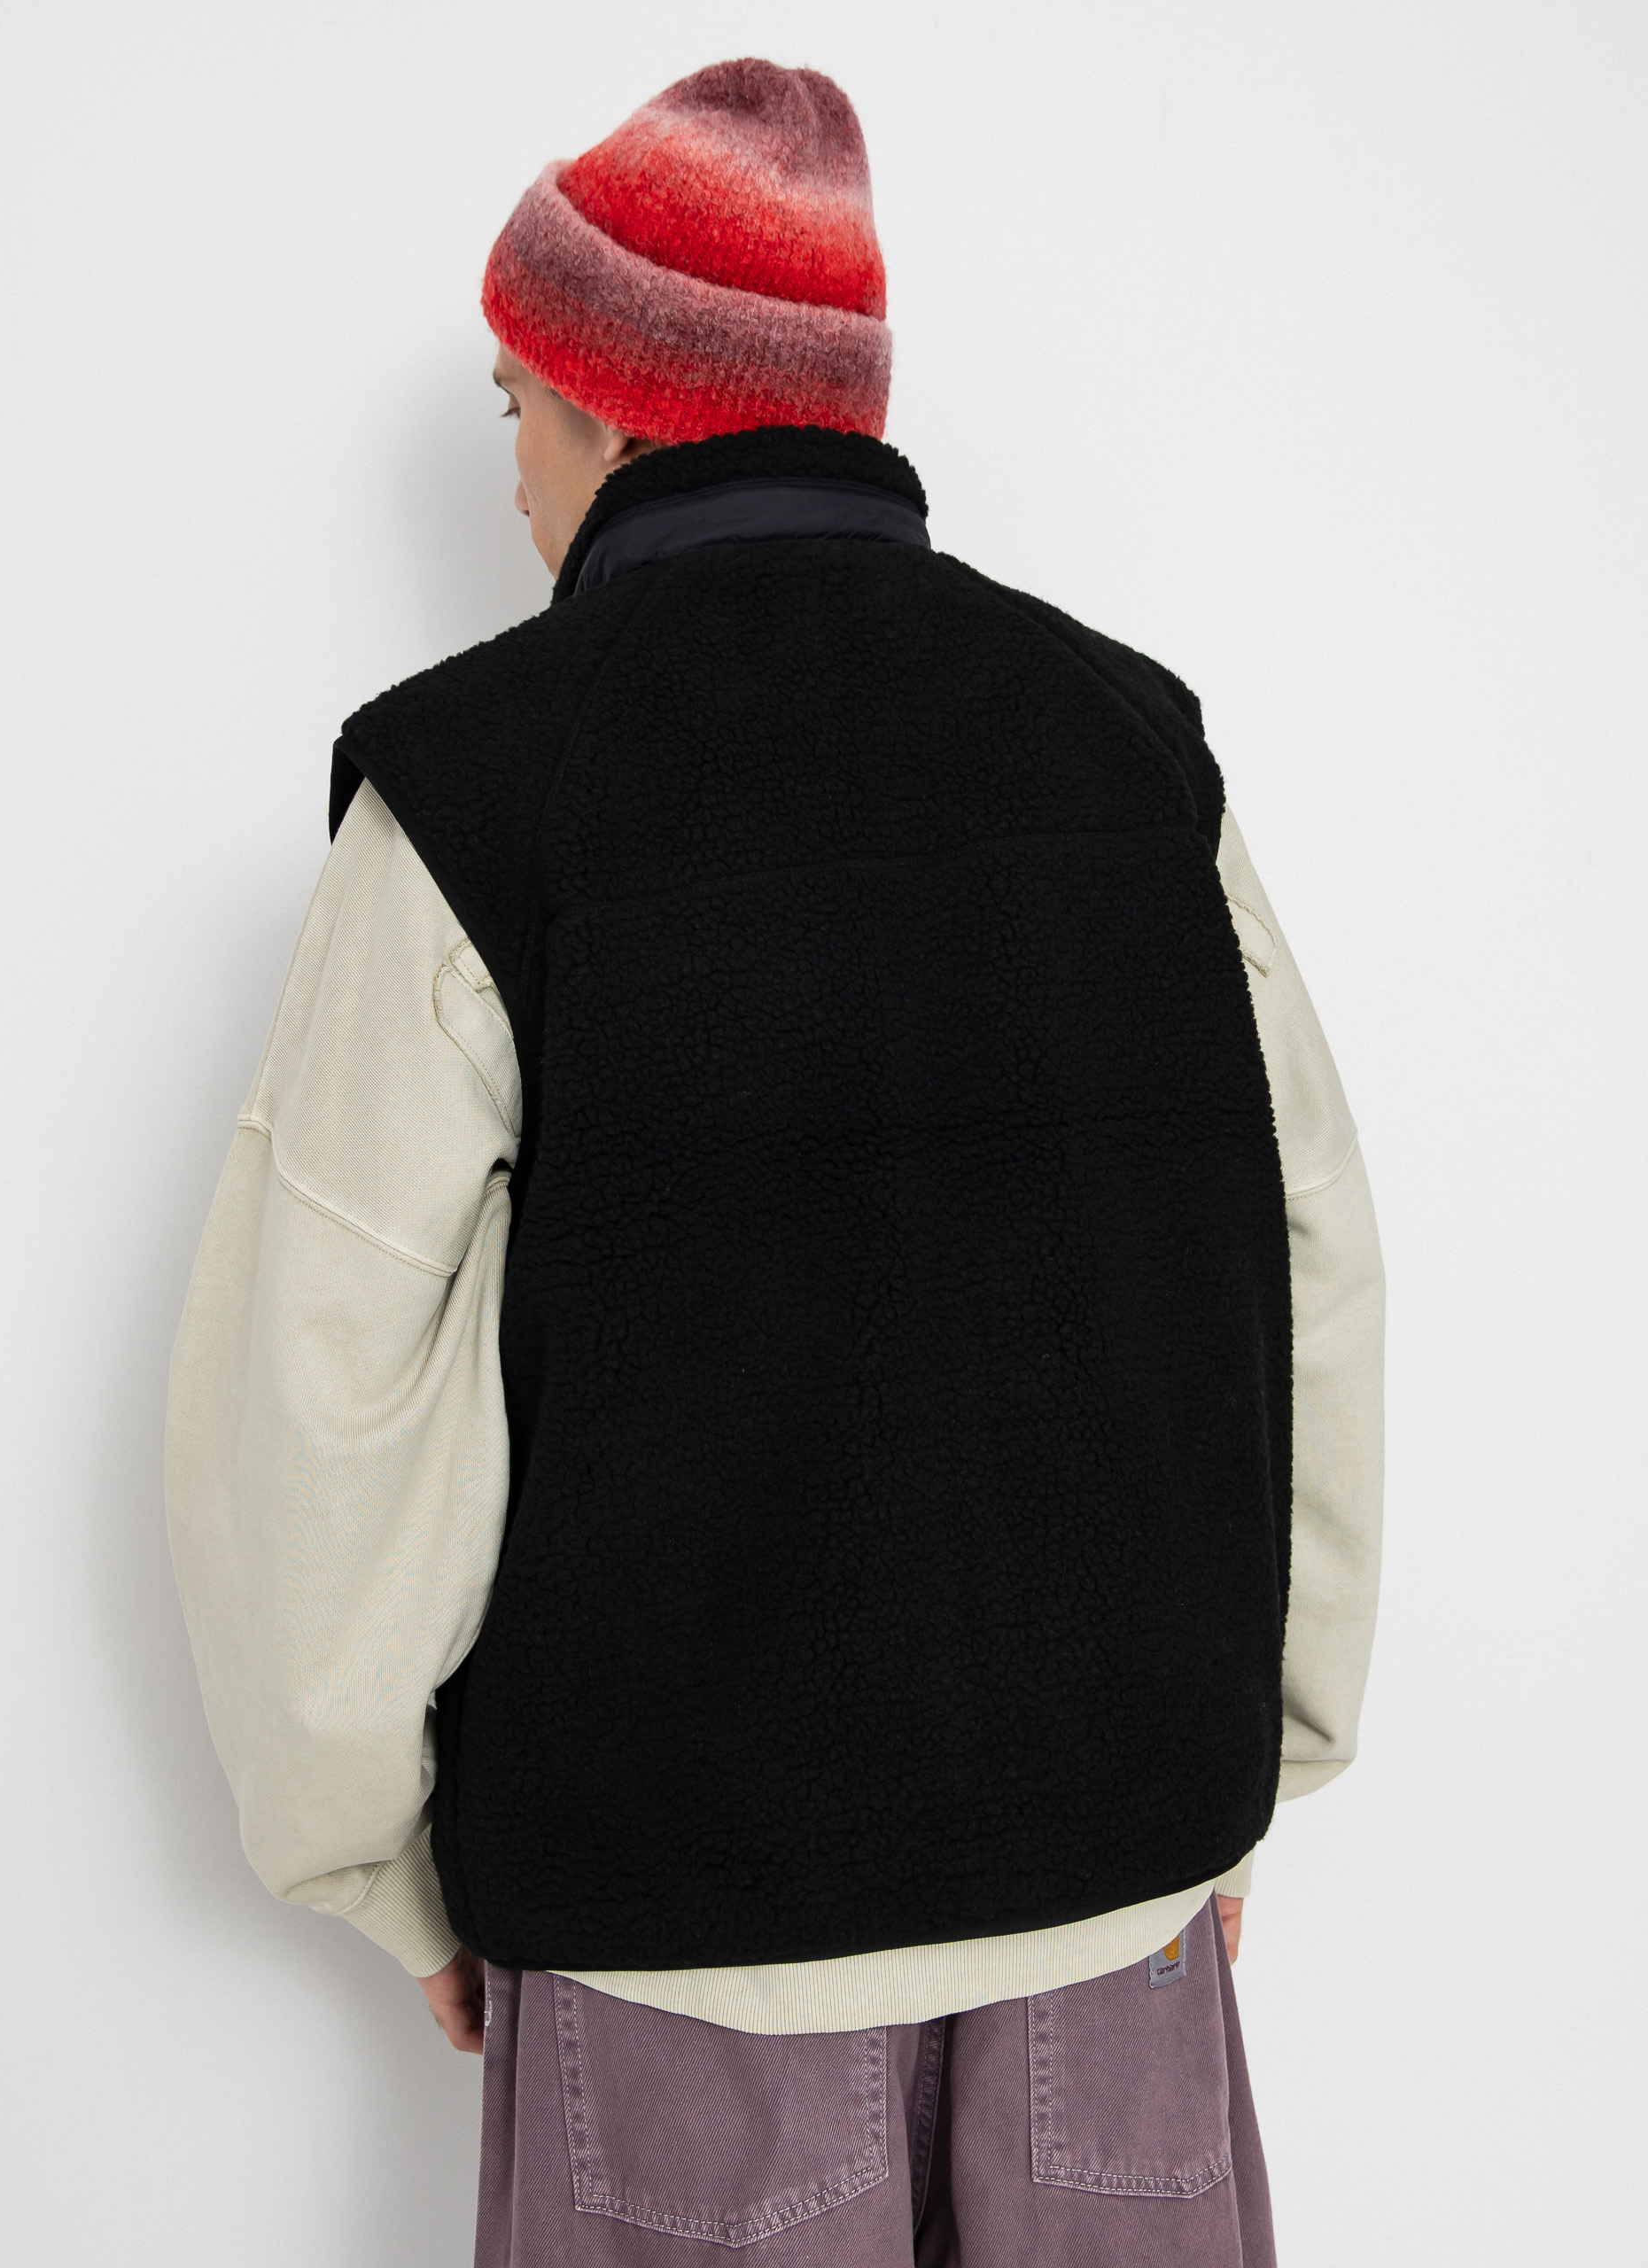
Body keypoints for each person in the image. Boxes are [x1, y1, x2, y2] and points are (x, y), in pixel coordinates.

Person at [166, 57, 1383, 2268]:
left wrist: (380, 1854)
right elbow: (1300, 1263)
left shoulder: (477, 789)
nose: (511, 478)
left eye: (516, 412)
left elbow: (321, 1386)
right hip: (1122, 1911)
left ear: (617, 410)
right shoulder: (1134, 749)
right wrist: (1248, 1756)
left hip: (680, 1945)